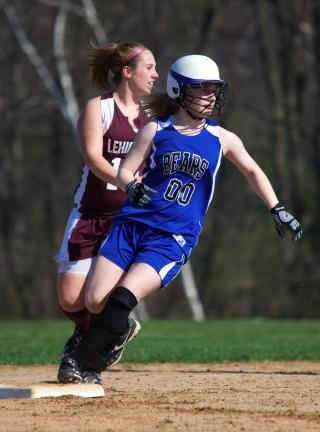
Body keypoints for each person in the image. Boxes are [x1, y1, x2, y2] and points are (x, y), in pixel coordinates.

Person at [64, 54, 303, 384]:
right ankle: (115, 335)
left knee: (123, 298)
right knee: (93, 301)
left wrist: (277, 208)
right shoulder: (155, 130)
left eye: (213, 89)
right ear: (179, 90)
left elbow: (252, 170)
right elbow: (125, 170)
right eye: (201, 89)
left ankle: (83, 365)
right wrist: (131, 186)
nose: (210, 96)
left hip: (170, 239)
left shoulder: (222, 139)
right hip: (131, 227)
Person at [55, 41, 158, 385]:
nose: (155, 75)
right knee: (70, 299)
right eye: (149, 68)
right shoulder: (99, 108)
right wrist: (127, 183)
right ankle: (118, 328)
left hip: (126, 222)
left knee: (98, 300)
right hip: (89, 214)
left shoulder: (152, 118)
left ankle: (87, 357)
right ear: (127, 72)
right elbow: (94, 160)